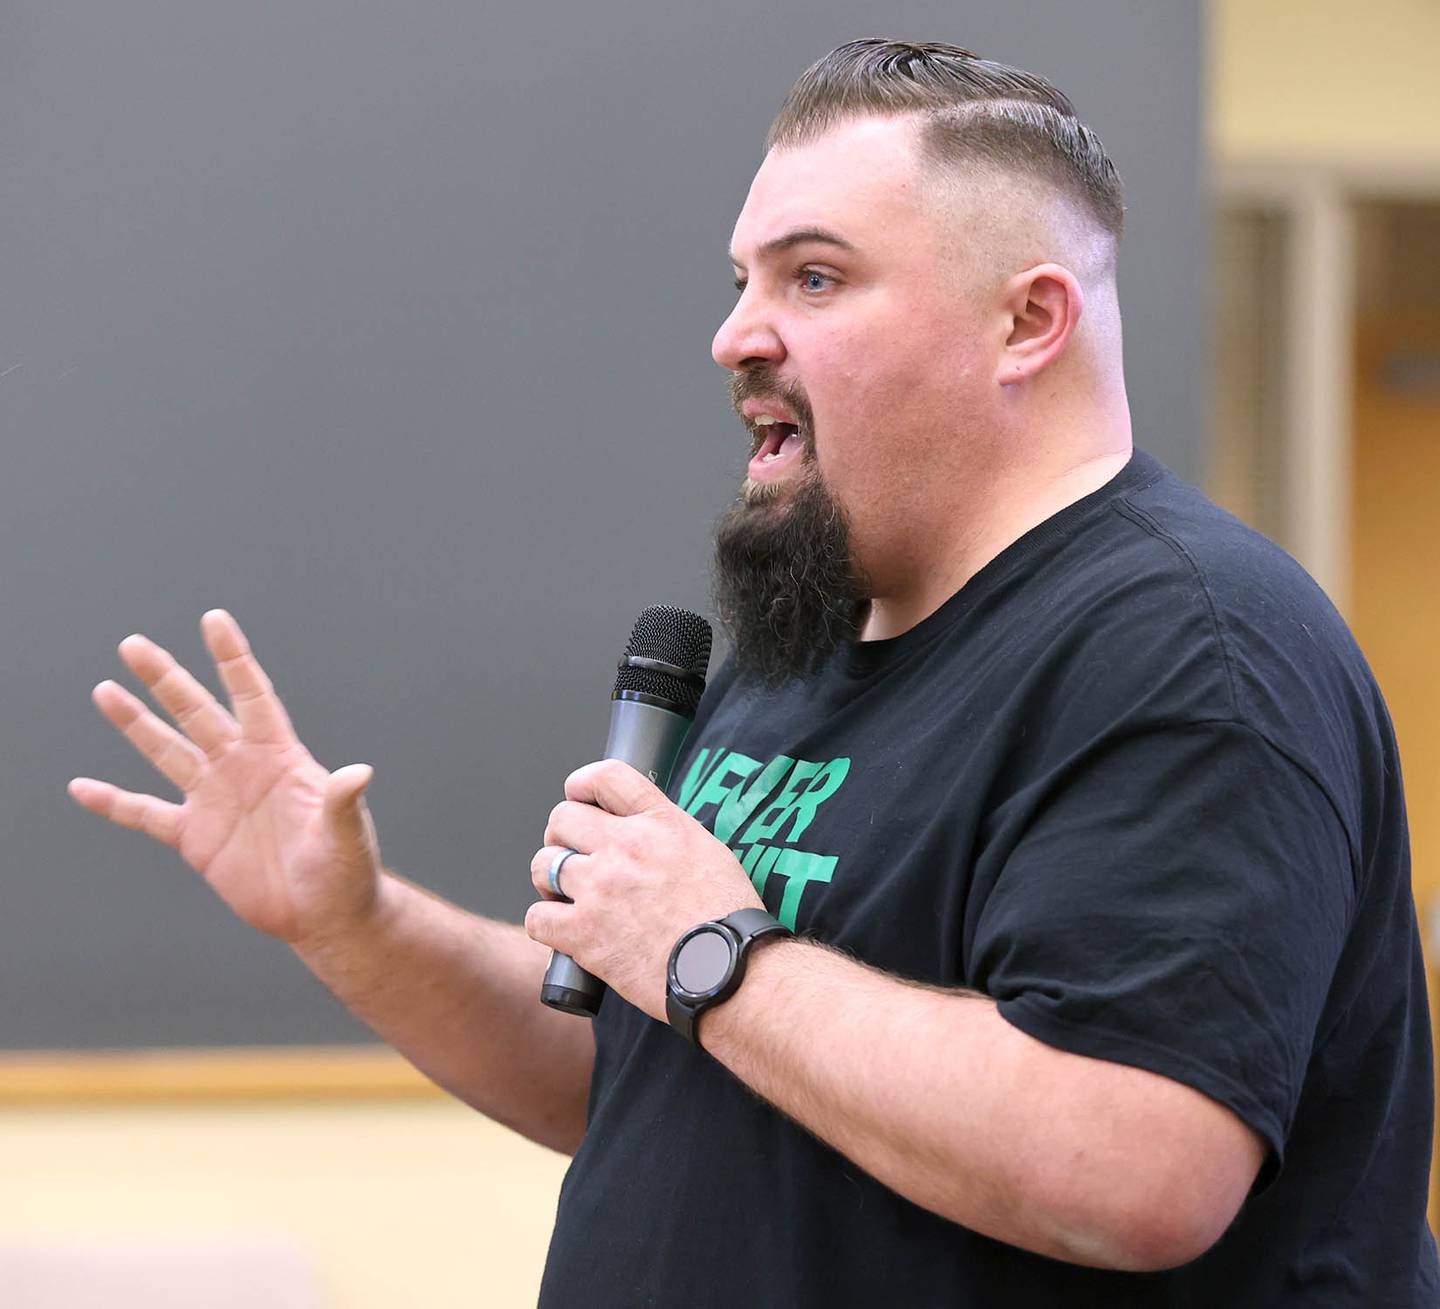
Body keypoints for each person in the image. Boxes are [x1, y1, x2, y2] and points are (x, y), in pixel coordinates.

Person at [69, 39, 1438, 1307]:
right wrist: (354, 926)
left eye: (815, 276)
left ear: (1027, 323)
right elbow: (647, 1069)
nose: (736, 333)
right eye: (743, 280)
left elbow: (1140, 1167)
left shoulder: (1193, 646)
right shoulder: (812, 643)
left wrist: (722, 954)